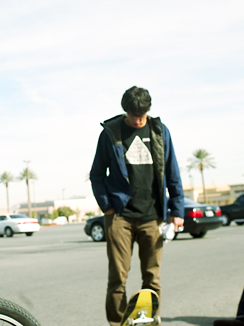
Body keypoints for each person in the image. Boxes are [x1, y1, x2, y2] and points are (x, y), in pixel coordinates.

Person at [89, 86, 184, 326]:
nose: (138, 119)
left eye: (142, 114)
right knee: (117, 278)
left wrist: (177, 211)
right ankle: (117, 322)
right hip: (120, 216)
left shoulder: (160, 132)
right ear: (126, 111)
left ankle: (151, 320)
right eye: (133, 115)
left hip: (153, 217)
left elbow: (173, 173)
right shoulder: (111, 133)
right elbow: (97, 174)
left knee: (152, 276)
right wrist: (107, 208)